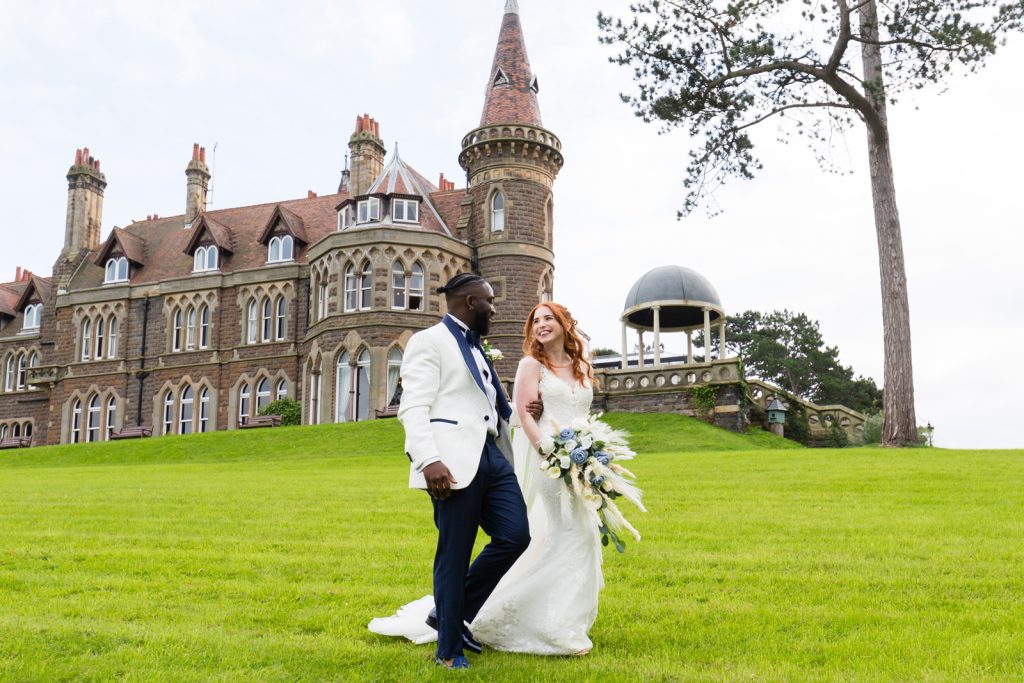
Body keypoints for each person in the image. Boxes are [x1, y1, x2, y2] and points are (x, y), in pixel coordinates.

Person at [371, 297, 602, 657]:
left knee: (554, 535)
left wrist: (591, 452)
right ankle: (453, 630)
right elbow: (416, 406)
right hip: (538, 459)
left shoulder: (580, 365)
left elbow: (503, 407)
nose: (540, 325)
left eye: (548, 318)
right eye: (536, 320)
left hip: (571, 458)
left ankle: (556, 617)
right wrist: (544, 443)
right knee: (475, 545)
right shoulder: (526, 362)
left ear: (564, 323)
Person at [392, 273, 531, 670]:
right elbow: (413, 406)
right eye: (490, 301)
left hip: (492, 454)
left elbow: (488, 402)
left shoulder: (477, 347)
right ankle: (449, 650)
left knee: (514, 536)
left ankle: (448, 613)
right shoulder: (429, 342)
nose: (494, 308)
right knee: (454, 552)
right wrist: (428, 458)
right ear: (470, 302)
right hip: (450, 462)